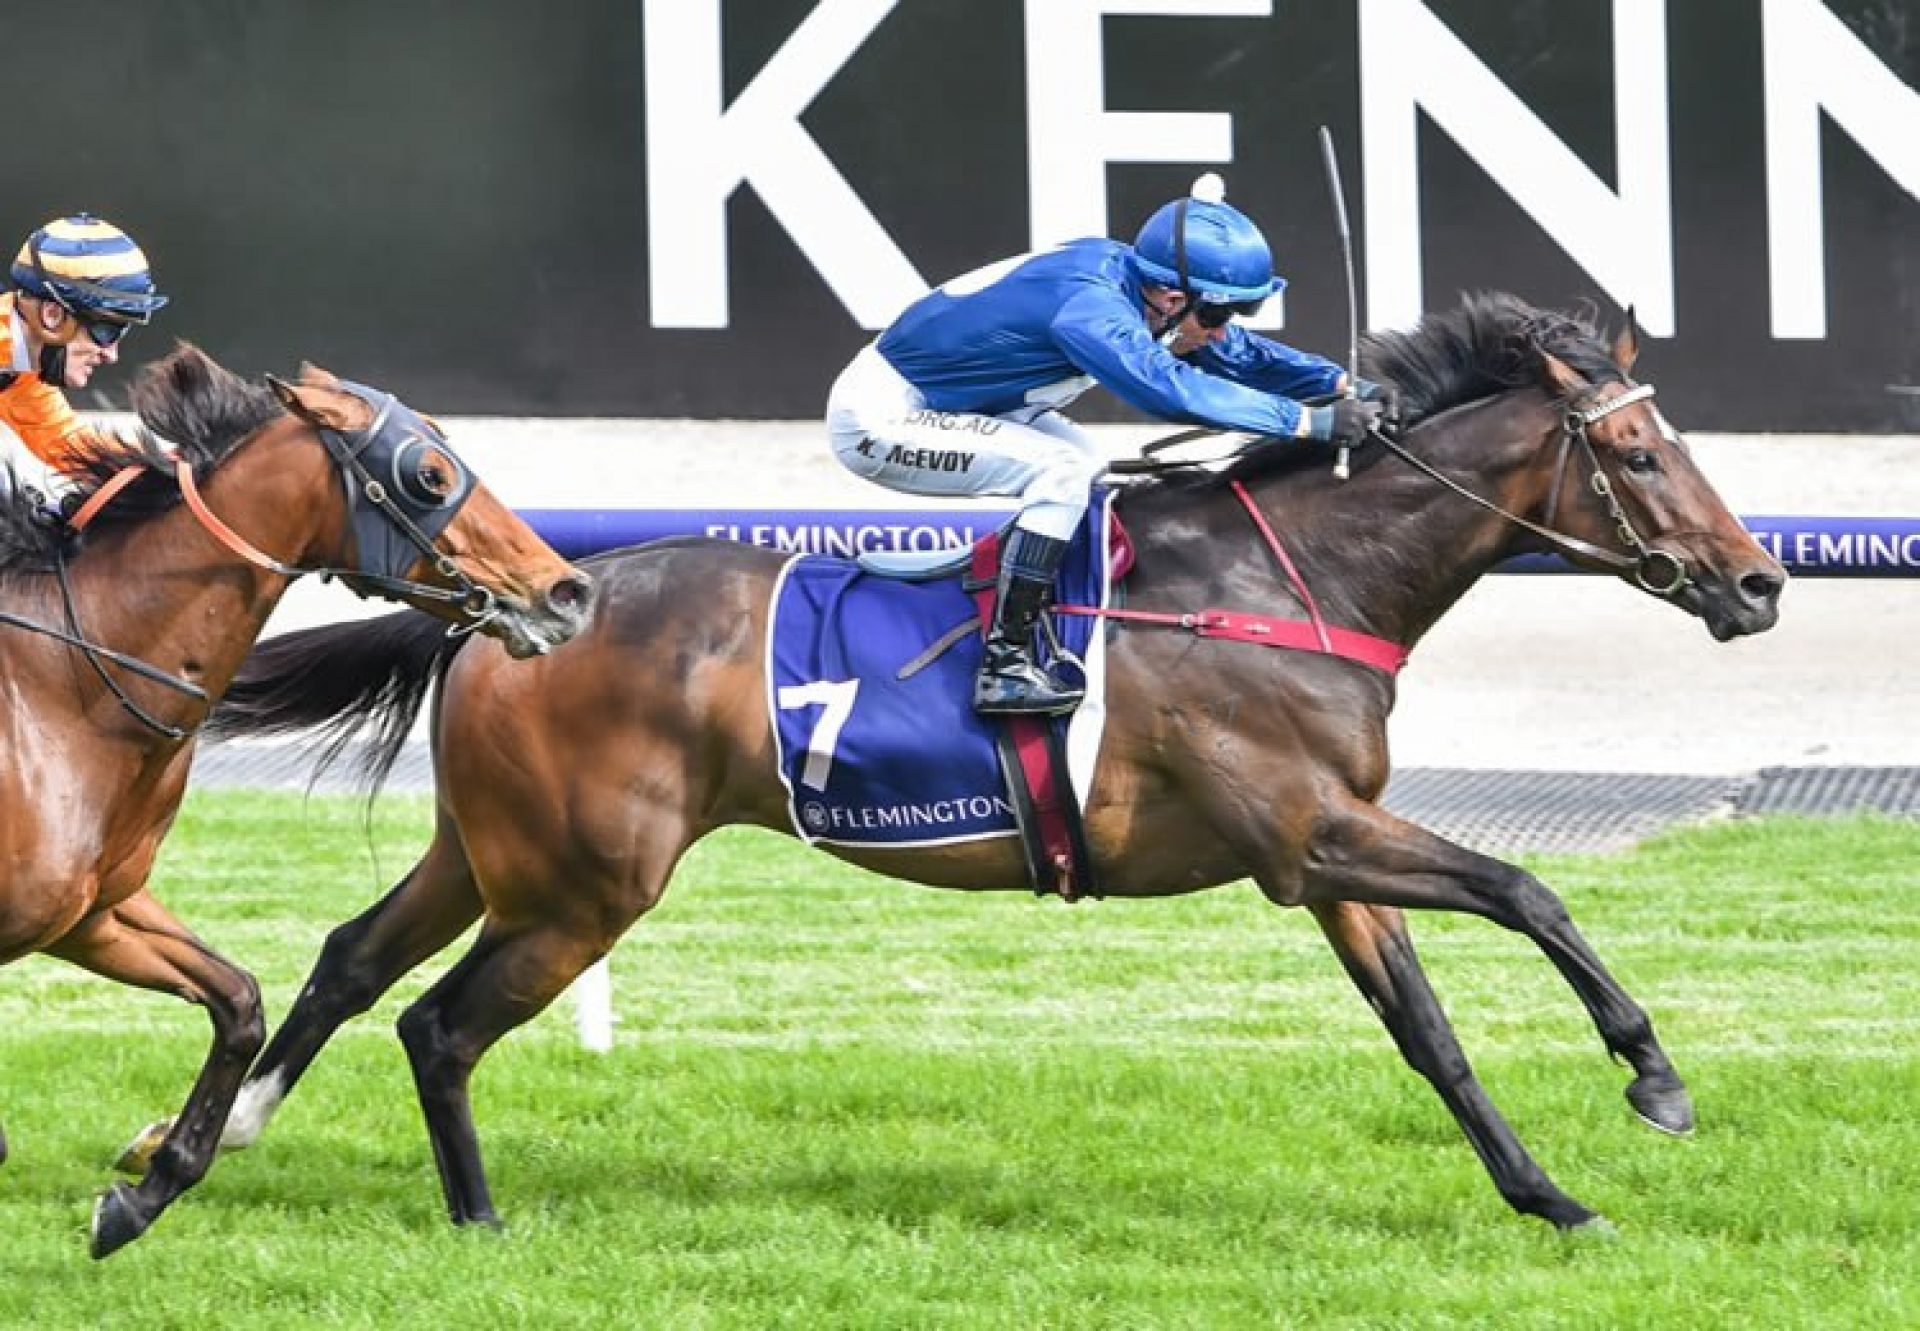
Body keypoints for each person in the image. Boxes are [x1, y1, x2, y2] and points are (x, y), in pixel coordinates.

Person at [827, 175, 1394, 716]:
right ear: (1172, 297)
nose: (1227, 328)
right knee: (1061, 470)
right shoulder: (1093, 311)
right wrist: (1306, 424)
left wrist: (1340, 385)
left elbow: (1233, 353)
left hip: (965, 404)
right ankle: (1003, 666)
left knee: (1086, 469)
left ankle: (1050, 612)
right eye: (1222, 312)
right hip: (884, 419)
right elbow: (1168, 390)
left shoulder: (1142, 287)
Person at [1, 213, 169, 477]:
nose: (111, 355)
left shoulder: (15, 366)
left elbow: (67, 444)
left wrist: (166, 463)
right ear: (52, 315)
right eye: (105, 331)